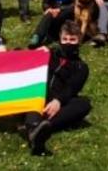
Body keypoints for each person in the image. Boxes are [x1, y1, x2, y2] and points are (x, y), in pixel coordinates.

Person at [22, 20, 91, 156]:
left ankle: (39, 128)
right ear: (60, 38)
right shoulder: (49, 54)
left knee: (84, 104)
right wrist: (37, 54)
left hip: (60, 100)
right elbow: (25, 60)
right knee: (35, 98)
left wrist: (58, 101)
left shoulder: (81, 67)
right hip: (39, 95)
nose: (68, 42)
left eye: (72, 39)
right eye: (64, 39)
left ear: (79, 40)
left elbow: (72, 88)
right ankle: (36, 131)